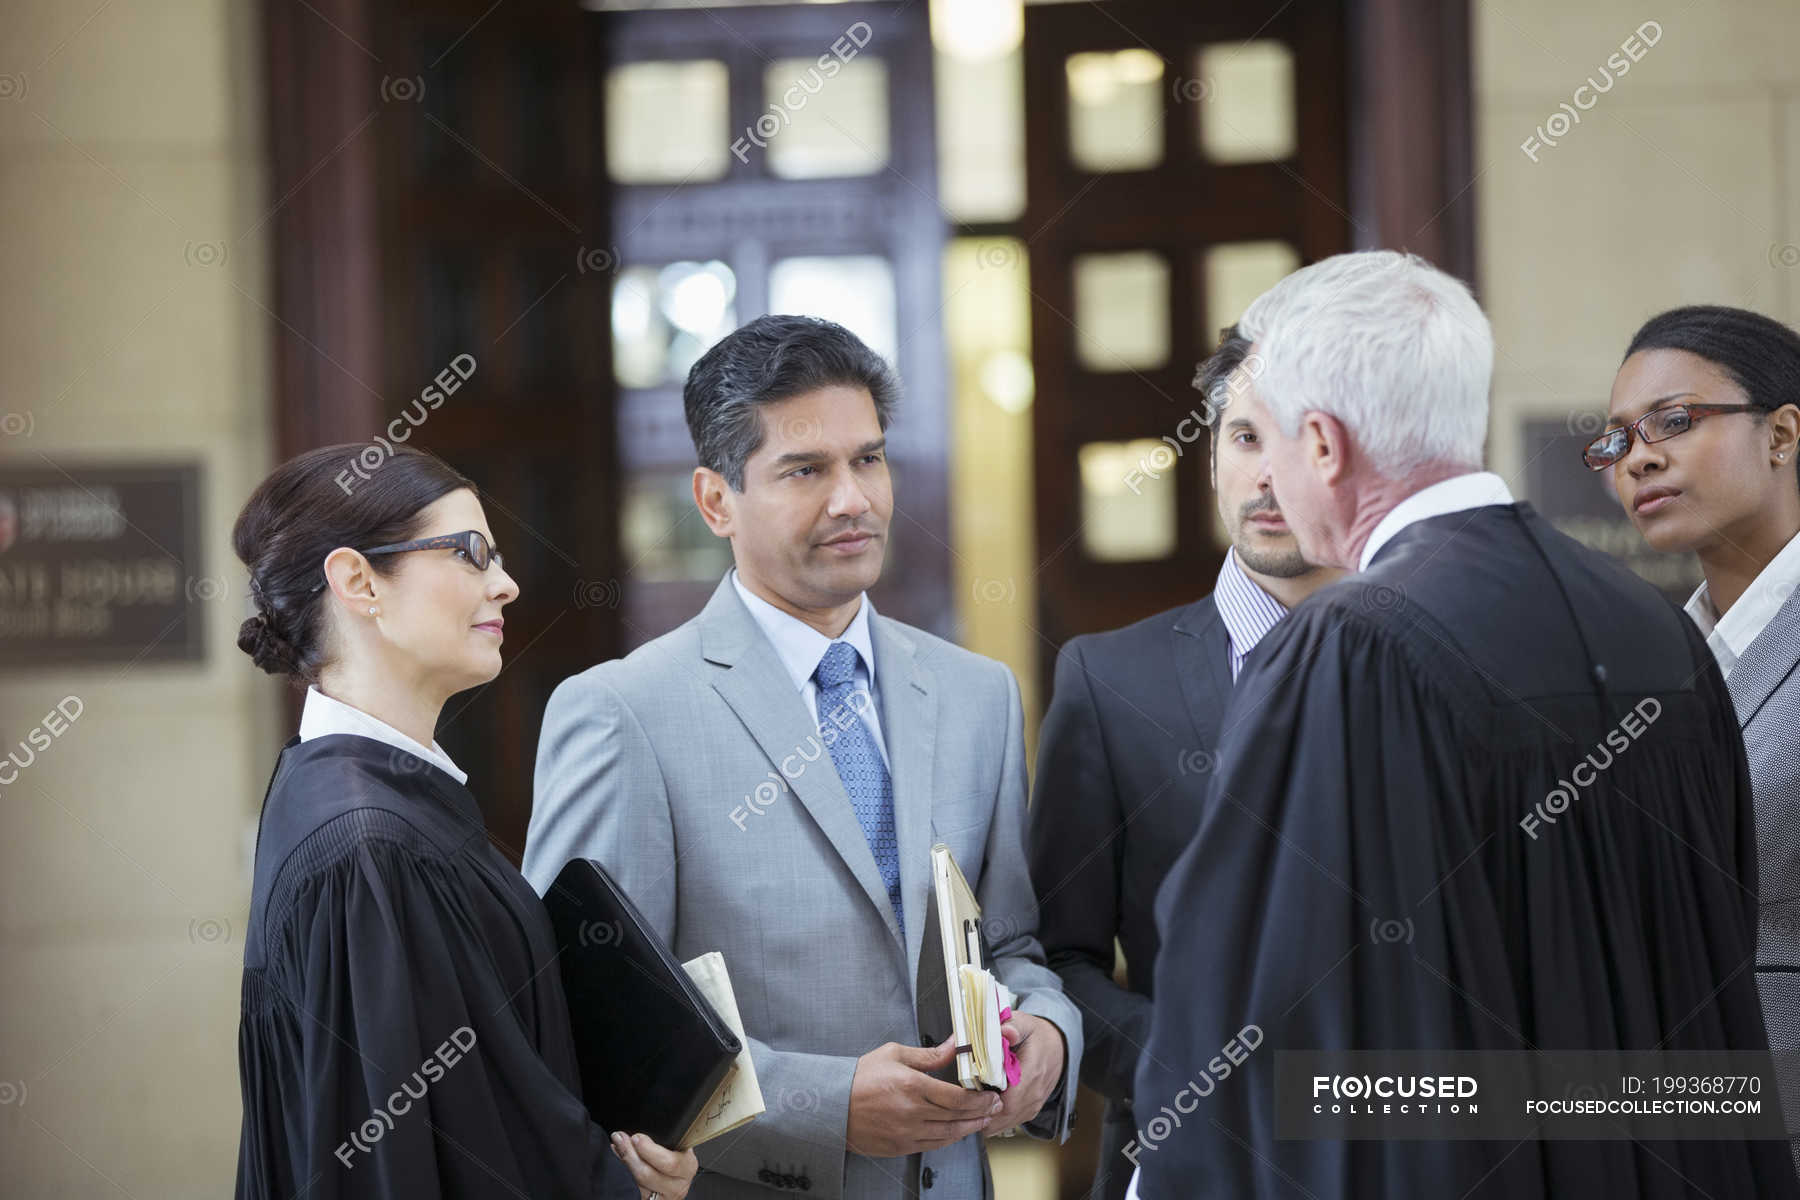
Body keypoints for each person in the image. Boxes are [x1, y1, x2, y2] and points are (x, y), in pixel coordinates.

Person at [1129, 252, 1797, 1198]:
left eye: (1267, 439)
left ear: (1323, 444)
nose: (1266, 476)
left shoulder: (1348, 652)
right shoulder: (1655, 630)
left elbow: (1253, 1043)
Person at [523, 315, 1082, 1199]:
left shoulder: (977, 693)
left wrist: (1047, 1030)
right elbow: (589, 1013)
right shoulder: (622, 712)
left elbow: (1009, 940)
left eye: (868, 459)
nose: (853, 498)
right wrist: (824, 1104)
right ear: (715, 501)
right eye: (805, 470)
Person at [232, 444, 697, 1200]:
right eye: (471, 554)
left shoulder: (362, 796)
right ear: (357, 582)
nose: (507, 585)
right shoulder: (367, 847)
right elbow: (411, 1160)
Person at [1028, 324, 1342, 1200]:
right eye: (1244, 438)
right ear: (1209, 460)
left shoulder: (1438, 666)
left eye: (1302, 441)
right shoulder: (1108, 680)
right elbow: (1057, 957)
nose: (1268, 475)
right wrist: (1186, 1066)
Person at [1597, 304, 1800, 1167]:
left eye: (1676, 422)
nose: (1640, 456)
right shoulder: (1643, 666)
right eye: (1616, 442)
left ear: (1783, 435)